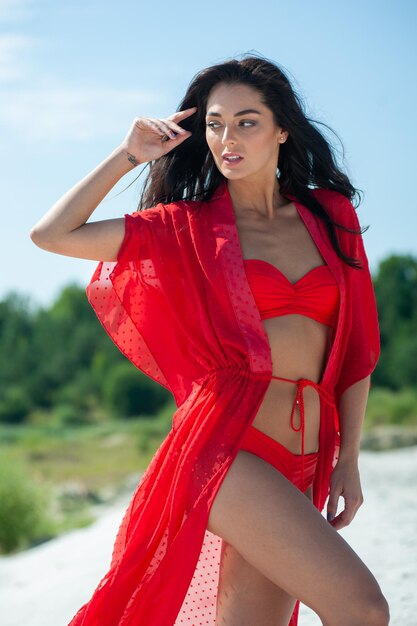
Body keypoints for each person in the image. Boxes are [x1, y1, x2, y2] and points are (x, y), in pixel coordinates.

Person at [30, 53, 389, 626]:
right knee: (363, 608)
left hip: (308, 455)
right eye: (215, 123)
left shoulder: (331, 216)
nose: (227, 137)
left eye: (246, 121)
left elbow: (357, 352)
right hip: (228, 450)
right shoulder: (185, 228)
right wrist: (128, 155)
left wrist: (349, 458)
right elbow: (52, 235)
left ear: (282, 129)